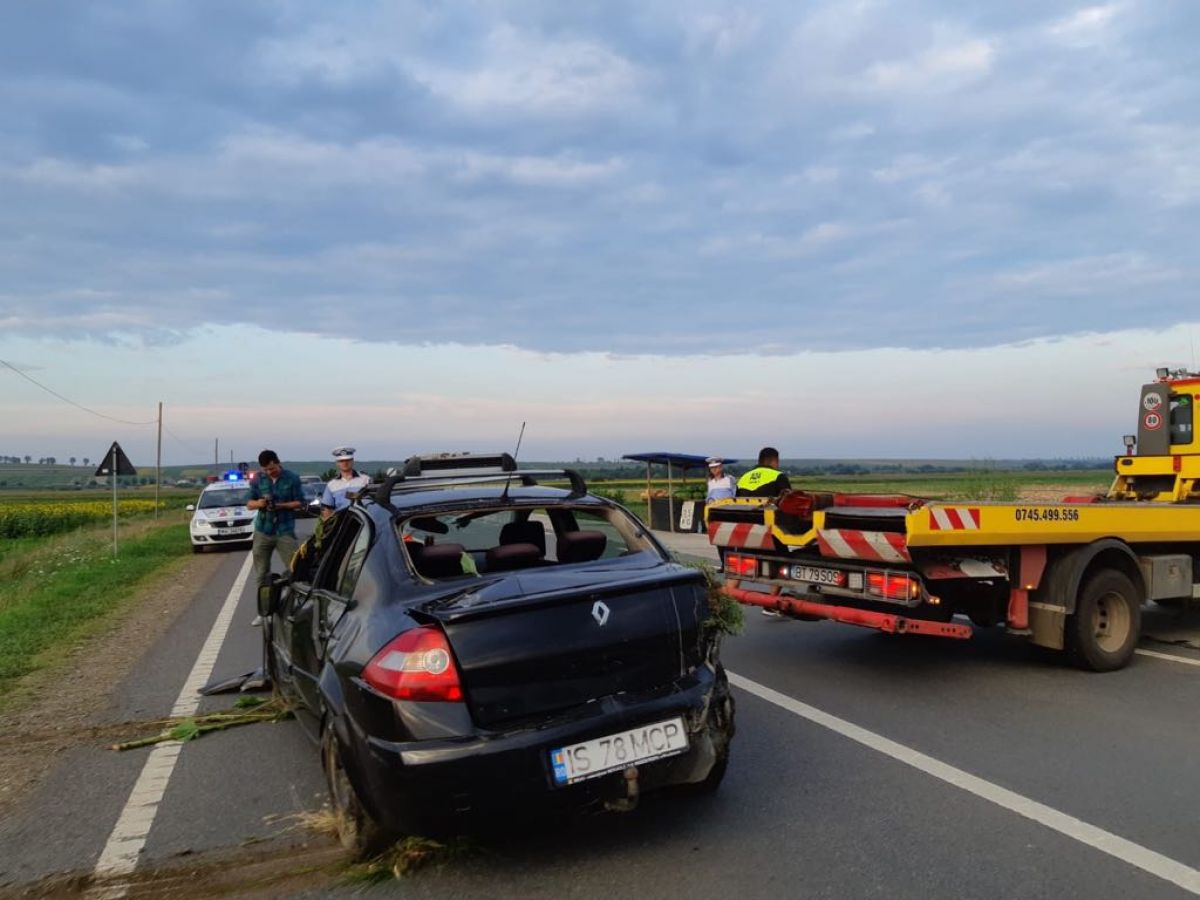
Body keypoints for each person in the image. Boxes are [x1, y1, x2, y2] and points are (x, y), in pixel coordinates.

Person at [736, 447, 792, 617]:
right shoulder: (778, 476)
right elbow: (789, 503)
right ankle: (770, 604)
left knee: (738, 564)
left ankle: (727, 600)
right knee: (782, 563)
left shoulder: (744, 478)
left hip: (747, 530)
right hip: (770, 531)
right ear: (774, 461)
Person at [247, 449, 304, 589]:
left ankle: (294, 596)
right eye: (265, 469)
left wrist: (280, 506)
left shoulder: (292, 478)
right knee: (261, 573)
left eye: (272, 469)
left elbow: (300, 502)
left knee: (295, 568)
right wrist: (259, 504)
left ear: (278, 463)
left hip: (284, 530)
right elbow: (249, 504)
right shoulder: (257, 479)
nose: (269, 472)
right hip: (263, 531)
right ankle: (264, 599)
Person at [320, 446, 371, 519]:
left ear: (353, 461)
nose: (345, 463)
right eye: (341, 461)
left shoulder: (366, 480)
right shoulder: (331, 485)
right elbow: (327, 509)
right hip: (342, 523)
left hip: (363, 521)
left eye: (348, 460)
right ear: (337, 463)